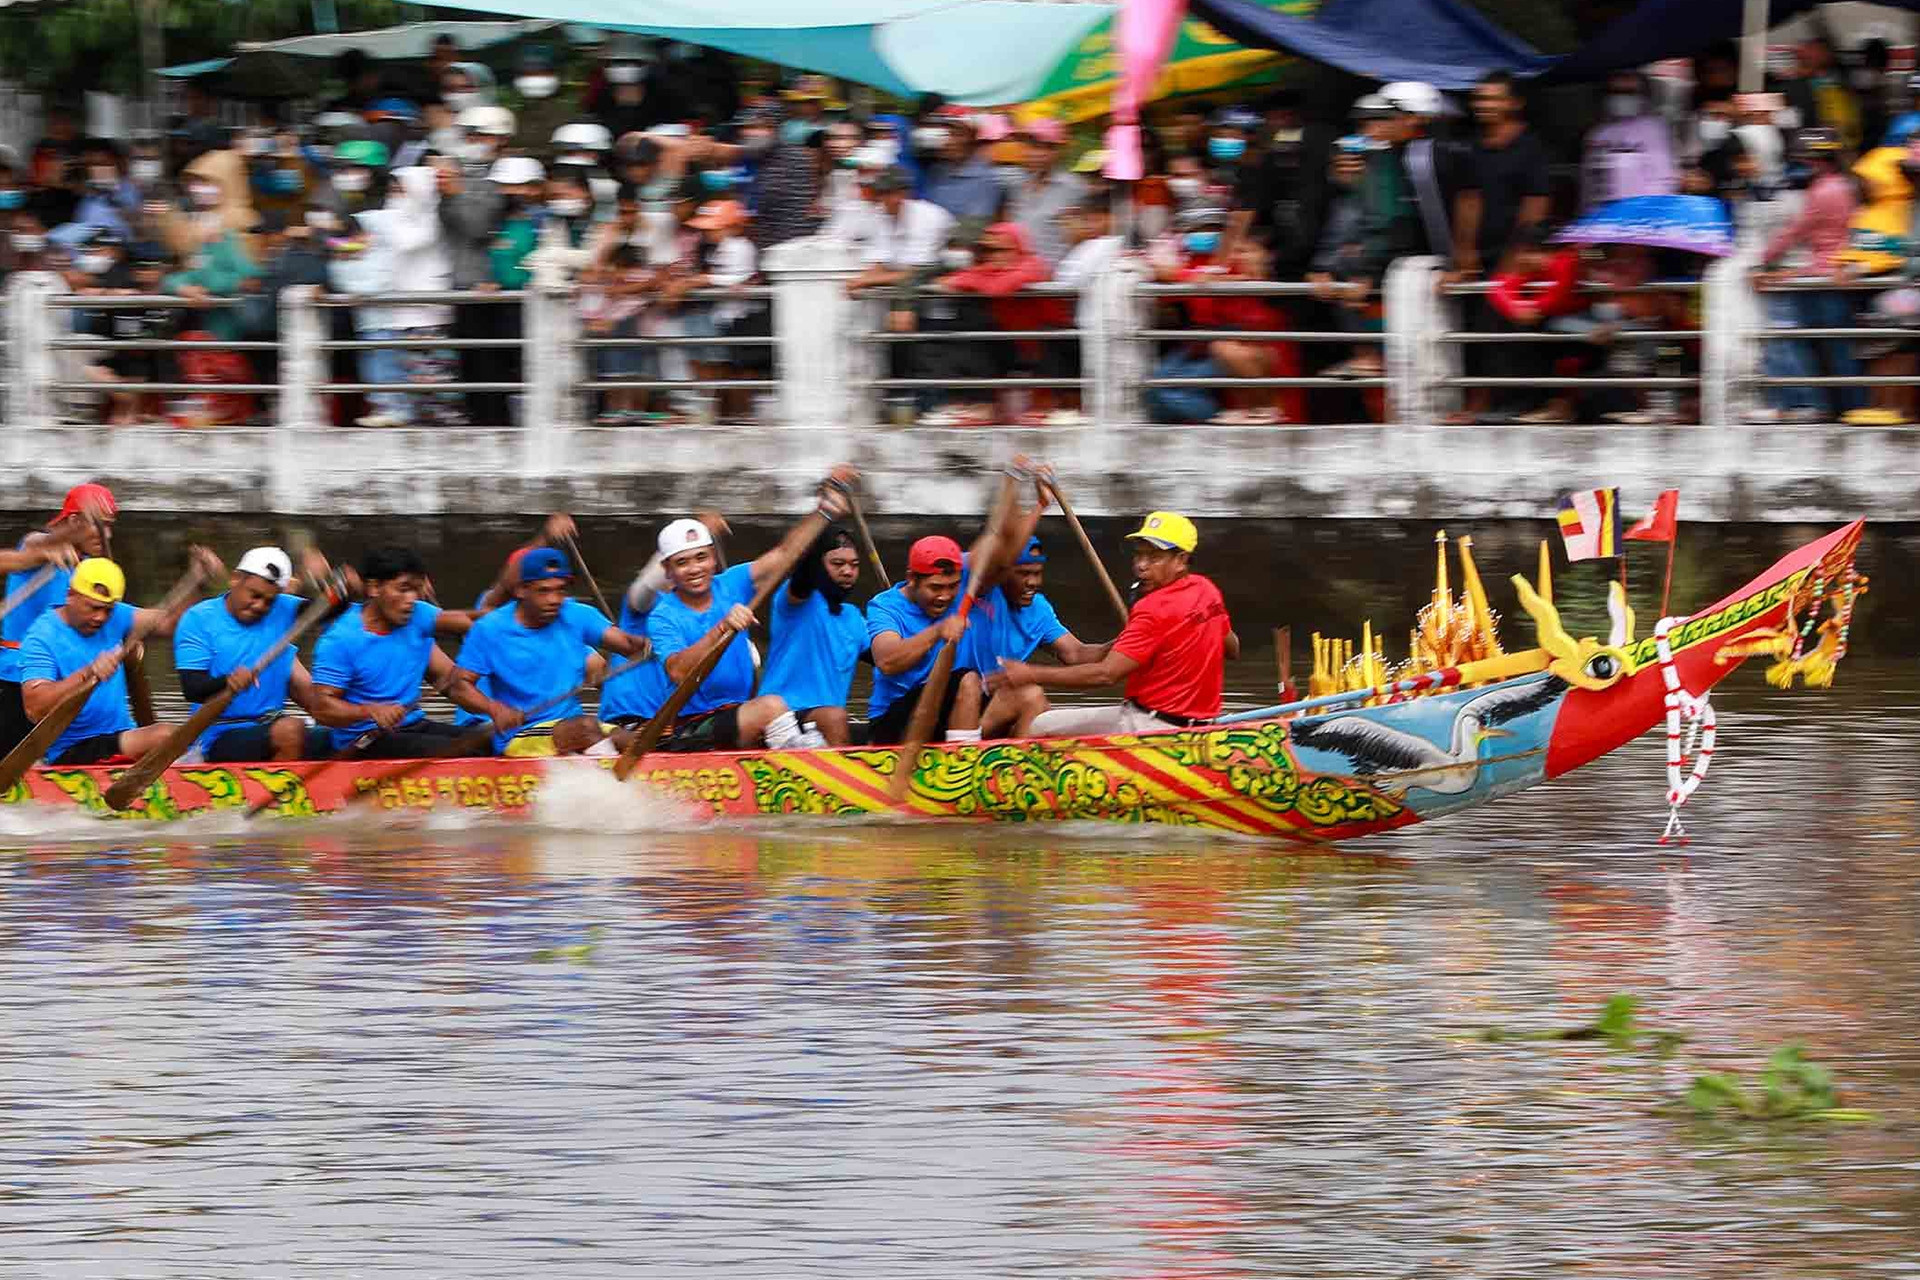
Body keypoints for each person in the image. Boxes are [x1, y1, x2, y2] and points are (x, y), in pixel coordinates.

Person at [607, 477, 855, 752]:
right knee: (770, 705)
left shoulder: (733, 583)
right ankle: (798, 759)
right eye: (682, 562)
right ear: (668, 571)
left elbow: (785, 553)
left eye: (701, 557)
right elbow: (678, 671)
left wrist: (823, 512)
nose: (694, 569)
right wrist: (722, 627)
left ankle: (834, 777)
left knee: (832, 716)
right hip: (692, 724)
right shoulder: (663, 615)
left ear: (714, 557)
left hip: (740, 712)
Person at [989, 511, 1238, 737]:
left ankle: (1017, 780)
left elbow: (1106, 675)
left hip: (1147, 725)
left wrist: (1030, 673)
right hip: (1201, 725)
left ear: (1181, 560)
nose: (1141, 565)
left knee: (1039, 724)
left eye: (1154, 557)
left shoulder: (1152, 609)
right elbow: (1232, 648)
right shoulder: (1207, 591)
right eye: (1140, 554)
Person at [19, 550, 221, 767]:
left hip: (121, 737)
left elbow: (172, 623)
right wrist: (89, 672)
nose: (101, 617)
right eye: (93, 608)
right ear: (71, 595)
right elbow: (34, 707)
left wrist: (197, 580)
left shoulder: (116, 616)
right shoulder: (42, 636)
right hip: (73, 749)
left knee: (180, 737)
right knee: (165, 735)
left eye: (108, 609)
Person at [449, 547, 651, 757]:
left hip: (573, 725)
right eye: (544, 591)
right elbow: (459, 686)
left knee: (634, 740)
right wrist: (494, 709)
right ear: (521, 590)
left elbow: (627, 644)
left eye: (560, 590)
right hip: (521, 733)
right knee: (586, 727)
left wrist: (649, 645)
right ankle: (610, 784)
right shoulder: (489, 629)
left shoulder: (576, 614)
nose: (554, 599)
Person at [308, 545, 506, 758]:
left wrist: (494, 709)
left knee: (490, 741)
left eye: (416, 589)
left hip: (411, 726)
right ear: (374, 588)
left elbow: (466, 623)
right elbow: (322, 709)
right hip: (363, 741)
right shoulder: (341, 639)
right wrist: (370, 711)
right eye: (403, 589)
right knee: (461, 751)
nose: (411, 599)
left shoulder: (419, 615)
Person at [172, 546, 334, 762]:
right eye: (254, 595)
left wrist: (324, 581)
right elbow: (192, 688)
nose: (260, 605)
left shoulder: (284, 608)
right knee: (290, 730)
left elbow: (336, 613)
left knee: (346, 734)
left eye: (269, 601)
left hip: (270, 726)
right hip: (218, 735)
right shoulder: (199, 619)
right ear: (235, 579)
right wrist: (228, 681)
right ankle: (281, 794)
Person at [1753, 128, 1862, 423]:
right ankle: (1850, 409)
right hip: (1836, 271)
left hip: (1823, 276)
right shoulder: (1845, 185)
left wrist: (1760, 260)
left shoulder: (1824, 191)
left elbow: (1795, 232)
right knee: (1838, 347)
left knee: (1808, 342)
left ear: (1817, 160)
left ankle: (1830, 407)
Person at [0, 483, 113, 752]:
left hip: (60, 679)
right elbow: (17, 555)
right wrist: (47, 548)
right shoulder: (38, 544)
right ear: (74, 521)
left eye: (110, 525)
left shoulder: (87, 569)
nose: (107, 534)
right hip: (16, 677)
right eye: (99, 525)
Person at [971, 534, 1111, 739]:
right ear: (1001, 573)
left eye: (1037, 573)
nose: (1033, 583)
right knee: (1032, 695)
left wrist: (1127, 639)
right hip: (963, 702)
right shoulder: (982, 595)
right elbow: (980, 560)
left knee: (1039, 706)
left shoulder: (1038, 608)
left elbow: (1076, 653)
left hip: (996, 703)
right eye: (1024, 574)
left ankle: (1018, 764)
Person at [865, 534, 989, 747]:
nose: (945, 596)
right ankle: (962, 770)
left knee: (1022, 693)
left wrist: (1038, 506)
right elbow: (886, 661)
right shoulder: (884, 607)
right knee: (968, 681)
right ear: (912, 578)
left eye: (952, 586)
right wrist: (938, 630)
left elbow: (999, 542)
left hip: (947, 707)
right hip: (893, 722)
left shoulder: (963, 582)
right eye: (935, 588)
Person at [759, 525, 868, 746]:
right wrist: (823, 523)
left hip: (826, 722)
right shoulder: (796, 603)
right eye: (837, 564)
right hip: (781, 720)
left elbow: (888, 660)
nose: (847, 571)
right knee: (835, 717)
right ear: (819, 565)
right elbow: (803, 578)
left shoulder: (854, 617)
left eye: (854, 565)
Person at [1580, 70, 1679, 208]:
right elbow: (1588, 184)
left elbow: (1664, 181)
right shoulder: (1597, 134)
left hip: (1639, 217)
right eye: (1617, 92)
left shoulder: (1654, 129)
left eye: (1630, 92)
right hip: (1599, 218)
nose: (1623, 97)